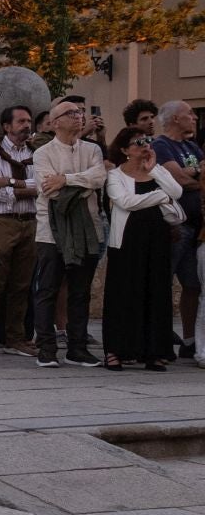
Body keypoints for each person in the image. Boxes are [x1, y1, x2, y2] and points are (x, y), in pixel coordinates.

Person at [29, 100, 107, 369]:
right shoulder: (42, 153)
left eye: (80, 112)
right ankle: (47, 347)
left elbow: (99, 178)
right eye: (71, 113)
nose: (79, 117)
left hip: (88, 228)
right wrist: (75, 183)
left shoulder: (92, 149)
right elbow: (50, 189)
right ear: (55, 122)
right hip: (51, 232)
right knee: (48, 290)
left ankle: (77, 348)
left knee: (80, 291)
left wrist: (67, 179)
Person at [101, 128, 181, 371]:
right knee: (123, 293)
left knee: (155, 292)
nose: (145, 146)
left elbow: (176, 192)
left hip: (156, 239)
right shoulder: (115, 175)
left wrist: (154, 169)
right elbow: (125, 202)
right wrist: (160, 196)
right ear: (125, 149)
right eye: (138, 142)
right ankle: (115, 350)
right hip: (127, 241)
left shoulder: (156, 171)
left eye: (148, 141)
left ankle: (153, 351)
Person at [0, 105, 37, 356]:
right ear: (6, 126)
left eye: (28, 121)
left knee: (22, 284)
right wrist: (27, 188)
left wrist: (11, 181)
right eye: (21, 121)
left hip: (30, 221)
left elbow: (43, 185)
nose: (26, 125)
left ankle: (16, 337)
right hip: (1, 222)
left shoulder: (35, 153)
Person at [151, 101, 203, 360]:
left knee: (193, 285)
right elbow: (177, 181)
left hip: (196, 227)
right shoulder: (161, 145)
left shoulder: (192, 146)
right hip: (174, 227)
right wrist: (197, 177)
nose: (194, 117)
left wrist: (192, 174)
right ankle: (158, 338)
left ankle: (190, 340)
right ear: (174, 119)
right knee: (162, 282)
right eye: (189, 114)